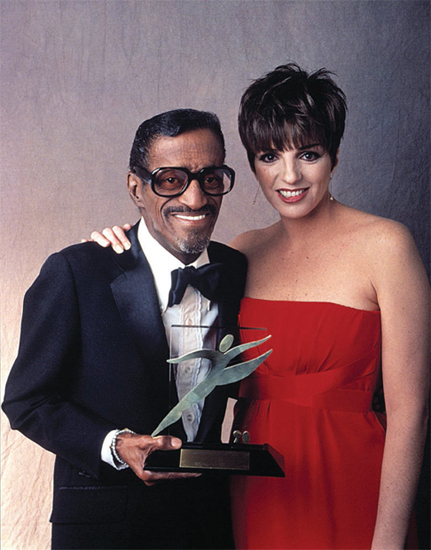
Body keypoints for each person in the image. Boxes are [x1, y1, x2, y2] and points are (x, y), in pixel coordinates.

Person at [92, 64, 430, 550]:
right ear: (251, 163)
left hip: (355, 484)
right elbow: (167, 299)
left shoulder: (387, 245)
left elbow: (411, 412)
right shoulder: (239, 253)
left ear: (333, 155)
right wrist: (115, 246)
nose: (289, 176)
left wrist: (389, 540)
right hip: (254, 489)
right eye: (270, 156)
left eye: (308, 154)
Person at [2, 109, 247, 549]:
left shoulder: (237, 271)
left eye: (211, 178)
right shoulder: (77, 271)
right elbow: (27, 399)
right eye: (170, 180)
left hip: (207, 527)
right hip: (105, 530)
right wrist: (116, 446)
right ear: (136, 187)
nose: (195, 199)